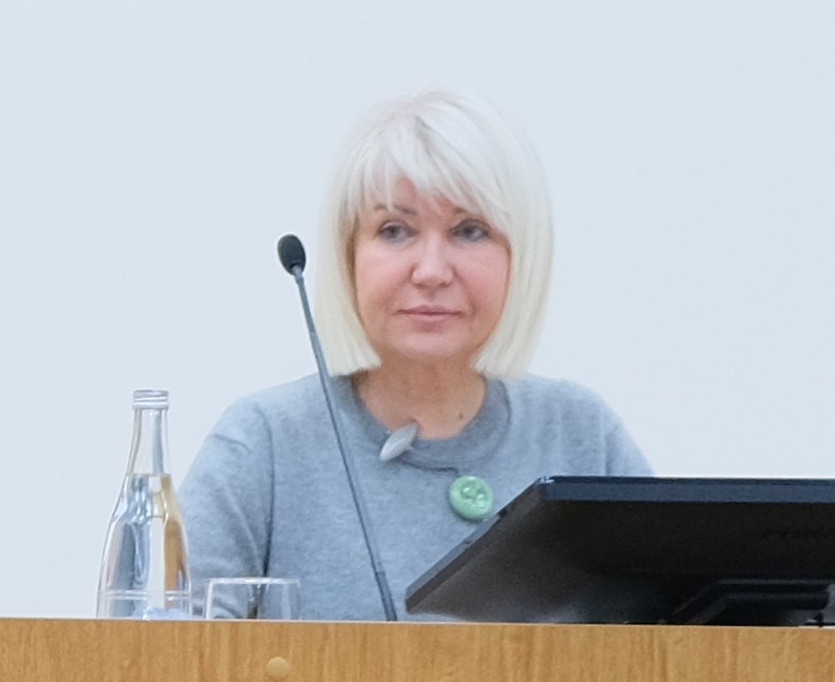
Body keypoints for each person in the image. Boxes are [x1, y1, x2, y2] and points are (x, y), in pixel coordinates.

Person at [182, 88, 648, 618]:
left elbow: (678, 642)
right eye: (395, 231)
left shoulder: (581, 436)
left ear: (522, 256)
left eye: (469, 231)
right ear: (348, 256)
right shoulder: (263, 443)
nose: (430, 271)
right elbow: (166, 650)